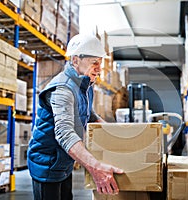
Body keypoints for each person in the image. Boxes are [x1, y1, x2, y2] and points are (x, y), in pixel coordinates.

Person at [27, 34, 123, 200]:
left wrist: (118, 134)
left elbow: (89, 115)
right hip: (47, 163)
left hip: (64, 161)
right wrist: (96, 167)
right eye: (94, 63)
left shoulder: (85, 85)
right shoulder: (63, 89)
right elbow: (64, 133)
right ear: (76, 60)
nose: (99, 69)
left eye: (100, 63)